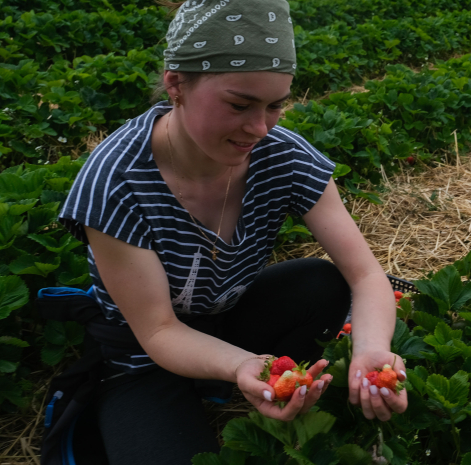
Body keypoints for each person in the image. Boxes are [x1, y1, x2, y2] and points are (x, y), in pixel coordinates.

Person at [56, 0, 407, 463]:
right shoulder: (116, 183)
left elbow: (365, 275)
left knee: (322, 282)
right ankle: (204, 389)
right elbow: (159, 330)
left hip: (230, 318)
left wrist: (372, 350)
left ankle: (258, 389)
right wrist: (241, 363)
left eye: (276, 106)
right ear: (176, 84)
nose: (259, 128)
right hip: (141, 354)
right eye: (239, 104)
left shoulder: (284, 156)